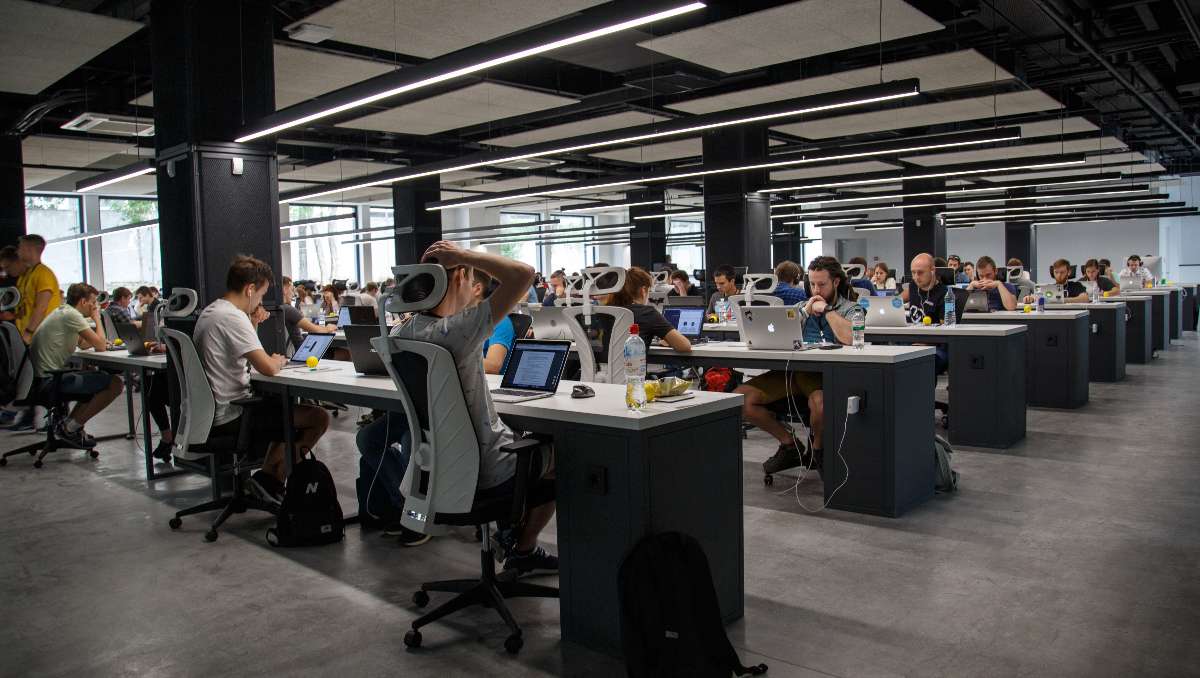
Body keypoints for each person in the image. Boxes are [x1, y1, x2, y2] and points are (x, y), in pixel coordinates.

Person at [391, 241, 556, 574]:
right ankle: (523, 549)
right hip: (488, 470)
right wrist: (463, 256)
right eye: (468, 278)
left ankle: (509, 534)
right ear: (458, 279)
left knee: (524, 443)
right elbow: (524, 274)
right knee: (563, 451)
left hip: (438, 470)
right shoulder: (459, 330)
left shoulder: (401, 331)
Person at [194, 256, 331, 505]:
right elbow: (267, 367)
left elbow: (242, 352)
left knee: (281, 410)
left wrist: (254, 322)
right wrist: (278, 360)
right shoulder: (232, 317)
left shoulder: (213, 311)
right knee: (318, 417)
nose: (260, 301)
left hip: (213, 412)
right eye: (261, 294)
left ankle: (267, 480)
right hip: (233, 413)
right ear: (249, 290)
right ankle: (270, 479)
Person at [735, 256, 856, 476]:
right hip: (795, 373)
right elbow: (780, 335)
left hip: (826, 376)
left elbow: (850, 338)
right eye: (812, 283)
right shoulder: (801, 307)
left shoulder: (851, 308)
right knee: (741, 398)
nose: (815, 288)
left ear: (836, 282)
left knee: (820, 404)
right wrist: (806, 311)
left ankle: (818, 450)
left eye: (822, 284)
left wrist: (827, 310)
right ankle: (790, 445)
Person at [29, 283, 124, 449]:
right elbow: (100, 346)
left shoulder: (63, 312)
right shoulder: (72, 315)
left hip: (42, 379)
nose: (96, 306)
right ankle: (70, 428)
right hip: (50, 382)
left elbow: (84, 344)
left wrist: (98, 341)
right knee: (115, 383)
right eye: (93, 302)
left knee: (92, 376)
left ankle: (70, 426)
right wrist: (96, 318)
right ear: (83, 302)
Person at [602, 266, 692, 353]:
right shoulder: (647, 313)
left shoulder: (604, 312)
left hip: (602, 368)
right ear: (643, 290)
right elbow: (684, 346)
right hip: (633, 367)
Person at [900, 253, 949, 372]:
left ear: (932, 271)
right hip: (912, 341)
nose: (916, 277)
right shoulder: (913, 286)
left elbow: (945, 330)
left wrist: (925, 343)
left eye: (920, 272)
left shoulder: (944, 293)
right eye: (913, 272)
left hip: (936, 346)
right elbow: (894, 303)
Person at [14, 234, 62, 345]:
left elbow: (41, 306)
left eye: (20, 247)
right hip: (30, 337)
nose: (18, 251)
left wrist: (28, 332)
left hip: (43, 338)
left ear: (29, 249)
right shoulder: (28, 274)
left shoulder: (44, 274)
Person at [474, 269, 518, 374]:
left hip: (488, 383)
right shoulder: (464, 319)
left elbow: (493, 366)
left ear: (477, 289)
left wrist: (452, 361)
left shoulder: (500, 321)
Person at [280, 276, 335, 351]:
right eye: (292, 290)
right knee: (345, 353)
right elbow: (316, 330)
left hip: (300, 349)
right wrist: (328, 328)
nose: (293, 294)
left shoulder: (278, 309)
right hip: (303, 352)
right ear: (285, 289)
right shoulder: (288, 309)